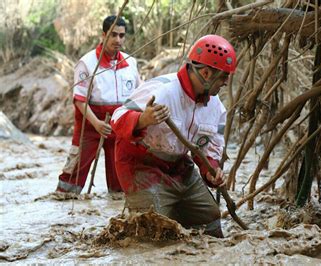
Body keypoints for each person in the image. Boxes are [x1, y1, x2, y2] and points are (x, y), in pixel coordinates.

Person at [111, 35, 236, 237]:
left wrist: (212, 171)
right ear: (205, 73)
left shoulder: (216, 108)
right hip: (140, 164)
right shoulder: (161, 89)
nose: (226, 82)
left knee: (210, 217)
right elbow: (117, 118)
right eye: (223, 77)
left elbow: (208, 151)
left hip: (178, 165)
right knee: (153, 227)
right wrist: (143, 119)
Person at [56, 15, 141, 194]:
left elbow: (138, 96)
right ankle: (63, 208)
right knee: (71, 181)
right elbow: (79, 100)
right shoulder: (87, 63)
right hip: (90, 126)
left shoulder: (131, 63)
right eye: (113, 35)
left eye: (121, 35)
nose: (118, 40)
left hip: (118, 127)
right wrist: (97, 124)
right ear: (104, 35)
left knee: (119, 185)